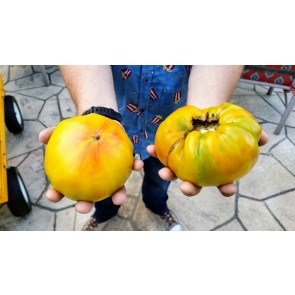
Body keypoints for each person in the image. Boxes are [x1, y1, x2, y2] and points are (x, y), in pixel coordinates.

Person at [39, 65, 268, 231]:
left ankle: (157, 206)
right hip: (118, 115)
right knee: (104, 190)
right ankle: (104, 212)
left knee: (159, 180)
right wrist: (98, 111)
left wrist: (204, 113)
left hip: (172, 131)